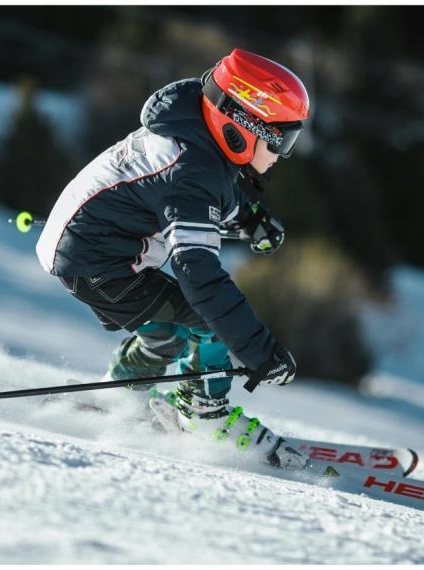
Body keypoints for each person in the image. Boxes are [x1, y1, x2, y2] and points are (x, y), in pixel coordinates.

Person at [36, 49, 310, 469]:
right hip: (98, 264)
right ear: (244, 126)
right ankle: (203, 411)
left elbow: (213, 189)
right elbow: (198, 275)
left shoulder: (193, 135)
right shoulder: (190, 173)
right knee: (209, 323)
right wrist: (260, 352)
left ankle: (121, 393)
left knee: (170, 331)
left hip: (91, 251)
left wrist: (250, 217)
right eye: (281, 140)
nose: (281, 155)